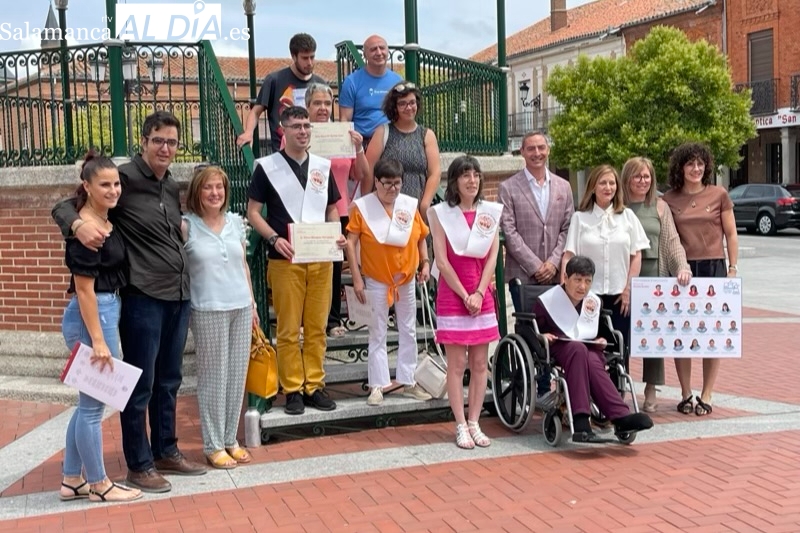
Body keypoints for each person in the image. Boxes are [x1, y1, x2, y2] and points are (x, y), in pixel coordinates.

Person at [53, 112, 206, 493]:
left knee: (169, 380)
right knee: (140, 385)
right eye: (158, 140)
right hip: (143, 299)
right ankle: (139, 464)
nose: (165, 148)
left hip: (177, 295)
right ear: (144, 141)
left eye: (172, 142)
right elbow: (65, 205)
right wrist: (77, 225)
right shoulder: (122, 179)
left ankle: (165, 450)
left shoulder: (170, 184)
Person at [247, 106, 346, 415]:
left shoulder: (322, 166)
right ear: (283, 130)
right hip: (284, 257)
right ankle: (292, 389)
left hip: (320, 257)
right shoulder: (267, 167)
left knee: (316, 326)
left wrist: (336, 233)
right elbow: (252, 212)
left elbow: (332, 208)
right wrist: (273, 238)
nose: (303, 131)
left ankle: (314, 385)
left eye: (306, 126)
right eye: (296, 126)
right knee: (289, 329)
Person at [58, 153, 142, 504]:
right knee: (94, 407)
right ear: (87, 186)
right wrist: (98, 341)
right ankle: (99, 484)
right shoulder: (87, 231)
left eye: (116, 183)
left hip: (106, 309)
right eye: (104, 184)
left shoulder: (106, 218)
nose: (113, 190)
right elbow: (84, 290)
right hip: (93, 314)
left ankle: (71, 479)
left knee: (86, 404)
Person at [182, 166, 258, 469]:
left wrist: (252, 303)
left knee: (236, 377)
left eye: (219, 187)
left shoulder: (236, 223)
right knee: (214, 378)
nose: (215, 193)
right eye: (208, 187)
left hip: (240, 305)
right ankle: (213, 444)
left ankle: (230, 439)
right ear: (197, 192)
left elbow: (243, 266)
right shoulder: (187, 226)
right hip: (208, 308)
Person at [534, 256, 653, 443]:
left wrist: (602, 340)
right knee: (578, 350)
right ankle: (581, 420)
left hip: (587, 348)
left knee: (592, 359)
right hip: (559, 347)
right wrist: (542, 335)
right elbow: (530, 330)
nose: (582, 286)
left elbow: (599, 330)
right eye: (578, 280)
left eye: (587, 281)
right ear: (565, 277)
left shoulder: (593, 302)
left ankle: (620, 417)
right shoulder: (547, 301)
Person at [428, 156, 502, 449]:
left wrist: (480, 293)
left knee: (480, 363)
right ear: (454, 181)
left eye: (476, 175)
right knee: (457, 365)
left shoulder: (490, 213)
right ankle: (460, 424)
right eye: (465, 175)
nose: (472, 180)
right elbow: (442, 262)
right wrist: (465, 295)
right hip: (453, 296)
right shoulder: (441, 214)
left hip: (481, 296)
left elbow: (493, 255)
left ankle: (475, 421)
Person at [344, 159, 432, 406]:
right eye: (387, 184)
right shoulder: (363, 208)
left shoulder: (408, 205)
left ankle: (408, 380)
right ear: (376, 182)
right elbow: (351, 242)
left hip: (406, 277)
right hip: (377, 278)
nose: (393, 189)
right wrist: (357, 278)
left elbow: (421, 237)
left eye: (397, 183)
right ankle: (377, 385)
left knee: (408, 329)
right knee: (377, 331)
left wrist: (425, 262)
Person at [664, 142, 739, 417]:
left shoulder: (719, 194)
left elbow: (731, 234)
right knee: (682, 333)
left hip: (714, 267)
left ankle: (706, 394)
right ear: (680, 168)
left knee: (712, 334)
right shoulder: (668, 199)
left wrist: (732, 268)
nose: (696, 168)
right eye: (690, 163)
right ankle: (685, 392)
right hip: (682, 271)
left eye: (700, 163)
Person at [499, 130, 574, 398]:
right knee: (529, 331)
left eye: (541, 147)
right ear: (522, 152)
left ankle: (546, 387)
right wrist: (535, 265)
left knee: (554, 330)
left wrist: (553, 263)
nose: (537, 153)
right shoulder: (508, 187)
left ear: (548, 150)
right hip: (522, 275)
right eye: (531, 148)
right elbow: (508, 231)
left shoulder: (563, 187)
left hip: (555, 275)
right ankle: (527, 385)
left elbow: (567, 227)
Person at [291, 83, 369, 337]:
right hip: (306, 210)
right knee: (307, 265)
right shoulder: (297, 133)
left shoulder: (342, 134)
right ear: (307, 106)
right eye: (317, 103)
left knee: (334, 267)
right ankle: (305, 320)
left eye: (327, 103)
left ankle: (332, 320)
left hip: (339, 209)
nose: (323, 108)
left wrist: (358, 147)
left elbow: (359, 174)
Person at [622, 156, 692, 412]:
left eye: (647, 176)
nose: (643, 181)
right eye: (637, 176)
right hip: (624, 277)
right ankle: (619, 384)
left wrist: (682, 267)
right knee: (622, 333)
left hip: (653, 275)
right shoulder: (618, 205)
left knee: (653, 335)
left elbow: (672, 242)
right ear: (627, 178)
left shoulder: (660, 207)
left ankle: (651, 387)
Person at [562, 165, 650, 363]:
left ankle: (619, 383)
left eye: (612, 183)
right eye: (603, 183)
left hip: (620, 297)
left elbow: (636, 255)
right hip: (588, 297)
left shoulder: (627, 217)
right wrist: (566, 291)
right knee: (591, 353)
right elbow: (569, 256)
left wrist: (628, 289)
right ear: (593, 187)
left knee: (619, 353)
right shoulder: (580, 218)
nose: (608, 187)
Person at [237, 33, 325, 153]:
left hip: (315, 151)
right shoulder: (274, 80)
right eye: (305, 58)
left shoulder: (320, 84)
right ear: (294, 57)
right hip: (282, 153)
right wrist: (248, 133)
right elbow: (256, 111)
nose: (309, 62)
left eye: (312, 57)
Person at [366, 81, 440, 221]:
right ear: (394, 107)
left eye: (412, 102)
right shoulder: (383, 132)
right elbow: (369, 170)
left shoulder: (426, 135)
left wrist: (425, 204)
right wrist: (366, 203)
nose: (408, 107)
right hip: (385, 209)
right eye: (402, 104)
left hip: (416, 208)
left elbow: (434, 173)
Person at [338, 35, 402, 147]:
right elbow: (345, 119)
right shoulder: (352, 81)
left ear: (388, 51)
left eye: (382, 48)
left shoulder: (398, 81)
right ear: (364, 55)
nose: (379, 52)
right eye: (373, 49)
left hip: (391, 141)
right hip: (362, 142)